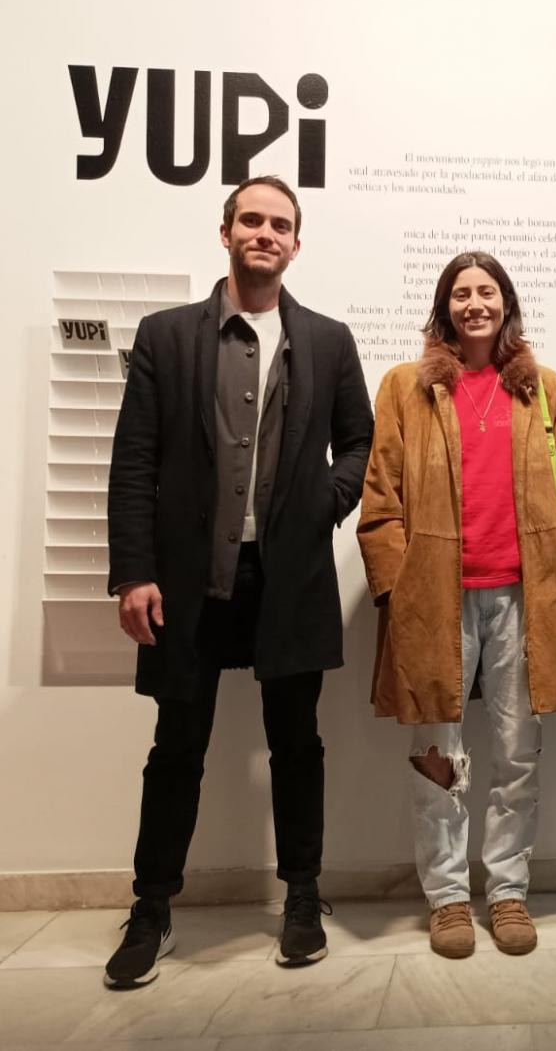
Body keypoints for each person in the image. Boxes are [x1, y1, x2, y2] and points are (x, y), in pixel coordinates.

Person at [103, 176, 374, 988]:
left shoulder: (327, 340)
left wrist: (321, 504)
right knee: (176, 748)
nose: (265, 233)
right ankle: (152, 908)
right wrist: (134, 572)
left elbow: (358, 442)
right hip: (187, 581)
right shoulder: (166, 336)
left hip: (285, 576)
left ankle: (302, 895)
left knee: (297, 745)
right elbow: (135, 461)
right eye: (251, 219)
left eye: (280, 224)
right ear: (225, 232)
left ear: (297, 242)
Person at [358, 251, 556, 959]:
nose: (476, 303)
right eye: (462, 293)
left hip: (525, 596)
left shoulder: (545, 389)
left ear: (507, 303)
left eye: (488, 291)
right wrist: (396, 585)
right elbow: (380, 496)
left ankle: (506, 892)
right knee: (435, 753)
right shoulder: (405, 387)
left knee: (516, 754)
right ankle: (446, 898)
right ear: (445, 307)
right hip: (436, 597)